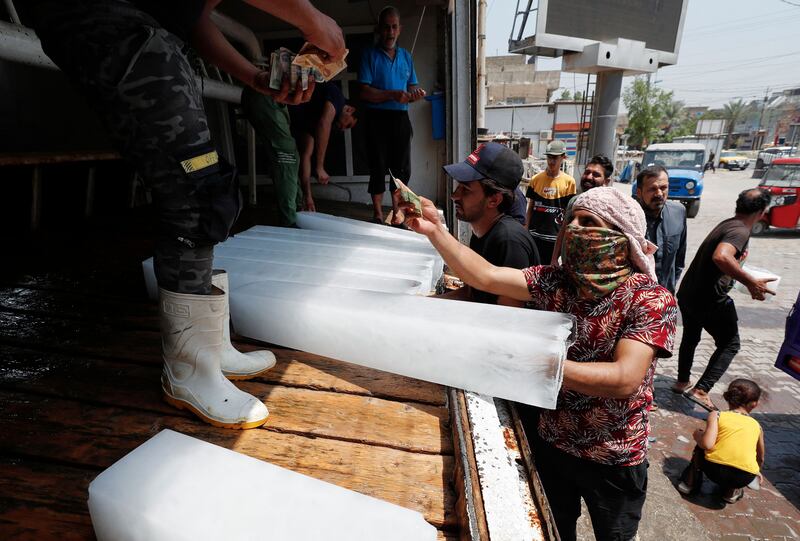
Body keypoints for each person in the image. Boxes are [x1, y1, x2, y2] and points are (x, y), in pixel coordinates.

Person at [26, 0, 345, 429]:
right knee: (194, 194)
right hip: (113, 20)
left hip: (148, 29)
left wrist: (250, 75)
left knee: (208, 185)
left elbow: (189, 14)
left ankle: (208, 348)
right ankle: (189, 371)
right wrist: (312, 19)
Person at [402, 186, 677, 541]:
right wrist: (435, 231)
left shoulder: (649, 298)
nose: (575, 228)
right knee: (555, 530)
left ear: (621, 237)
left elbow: (624, 378)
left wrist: (536, 363)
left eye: (588, 221)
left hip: (612, 456)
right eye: (572, 219)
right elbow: (485, 276)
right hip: (553, 443)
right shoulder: (555, 281)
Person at [674, 189, 775, 411]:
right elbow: (721, 256)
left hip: (690, 293)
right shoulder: (739, 230)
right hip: (709, 298)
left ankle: (682, 381)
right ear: (762, 211)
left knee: (691, 338)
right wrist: (751, 282)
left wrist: (742, 278)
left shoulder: (729, 224)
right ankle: (701, 390)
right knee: (730, 343)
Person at [439, 142, 540, 306]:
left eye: (465, 189)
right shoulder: (480, 233)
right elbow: (471, 294)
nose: (454, 196)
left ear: (494, 200)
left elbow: (508, 319)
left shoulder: (509, 241)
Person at [358, 5, 426, 224]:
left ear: (400, 29)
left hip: (400, 119)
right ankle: (377, 213)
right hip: (376, 118)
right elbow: (364, 92)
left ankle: (397, 212)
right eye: (386, 27)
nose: (390, 32)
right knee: (377, 166)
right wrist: (392, 95)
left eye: (394, 27)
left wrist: (416, 94)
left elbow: (412, 86)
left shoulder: (406, 56)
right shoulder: (369, 54)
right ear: (379, 29)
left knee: (401, 168)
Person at [677, 379, 765, 504]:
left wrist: (697, 435)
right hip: (744, 477)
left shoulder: (717, 415)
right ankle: (730, 493)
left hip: (714, 470)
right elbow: (760, 457)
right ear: (754, 404)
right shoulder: (757, 426)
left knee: (702, 440)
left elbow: (707, 444)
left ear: (728, 397)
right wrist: (756, 471)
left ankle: (689, 483)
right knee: (740, 457)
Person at [290, 81, 357, 212]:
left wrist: (308, 197)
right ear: (350, 110)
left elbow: (306, 156)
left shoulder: (313, 118)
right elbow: (324, 123)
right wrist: (320, 167)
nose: (343, 129)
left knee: (297, 158)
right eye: (348, 125)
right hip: (275, 100)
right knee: (286, 157)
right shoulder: (337, 97)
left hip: (286, 115)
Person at [240, 86, 303, 227]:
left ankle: (298, 210)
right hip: (266, 91)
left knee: (290, 156)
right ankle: (290, 222)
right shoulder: (332, 103)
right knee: (287, 156)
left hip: (268, 93)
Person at [550, 154, 614, 264]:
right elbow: (563, 231)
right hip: (568, 266)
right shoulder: (574, 201)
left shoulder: (611, 207)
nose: (589, 177)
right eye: (587, 172)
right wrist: (554, 258)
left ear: (606, 181)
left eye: (596, 174)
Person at [635, 165, 687, 294]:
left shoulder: (679, 212)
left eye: (663, 188)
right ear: (639, 192)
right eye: (652, 189)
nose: (659, 193)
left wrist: (671, 286)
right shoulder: (629, 218)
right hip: (636, 300)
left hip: (665, 296)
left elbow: (679, 259)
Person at [525, 140, 576, 263]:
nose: (551, 161)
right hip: (535, 234)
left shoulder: (569, 182)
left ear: (563, 157)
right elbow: (531, 206)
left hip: (555, 237)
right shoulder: (535, 179)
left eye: (555, 158)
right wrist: (526, 228)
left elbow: (569, 213)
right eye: (549, 157)